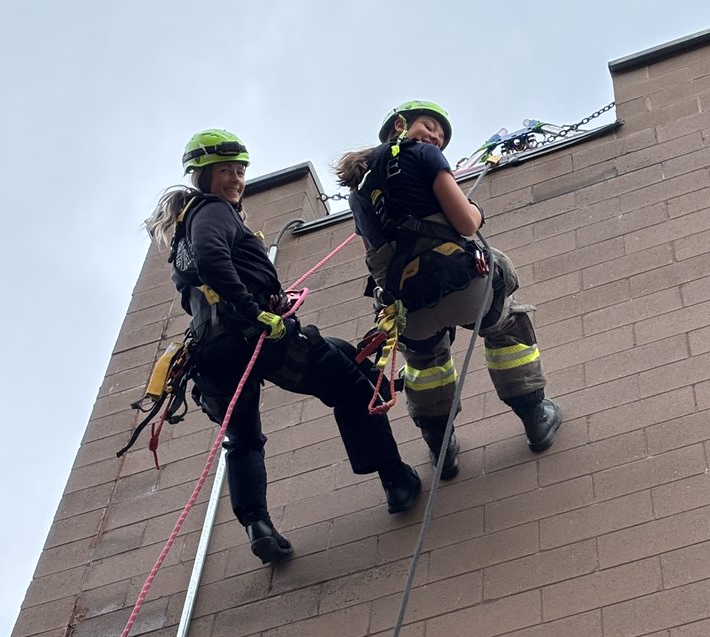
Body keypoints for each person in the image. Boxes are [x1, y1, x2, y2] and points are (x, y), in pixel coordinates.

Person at [144, 129, 421, 564]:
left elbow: (207, 269)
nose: (235, 179)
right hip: (253, 335)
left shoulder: (181, 233)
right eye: (224, 171)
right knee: (349, 382)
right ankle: (395, 480)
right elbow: (214, 259)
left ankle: (258, 526)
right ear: (202, 177)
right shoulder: (212, 212)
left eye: (239, 171)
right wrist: (254, 312)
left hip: (211, 354)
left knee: (244, 439)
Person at [334, 100, 561, 479]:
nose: (436, 136)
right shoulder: (422, 155)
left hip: (410, 309)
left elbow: (372, 256)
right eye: (429, 125)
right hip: (465, 288)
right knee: (507, 328)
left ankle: (441, 447)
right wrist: (475, 209)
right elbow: (466, 223)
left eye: (440, 133)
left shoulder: (357, 192)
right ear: (400, 127)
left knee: (425, 365)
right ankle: (535, 416)